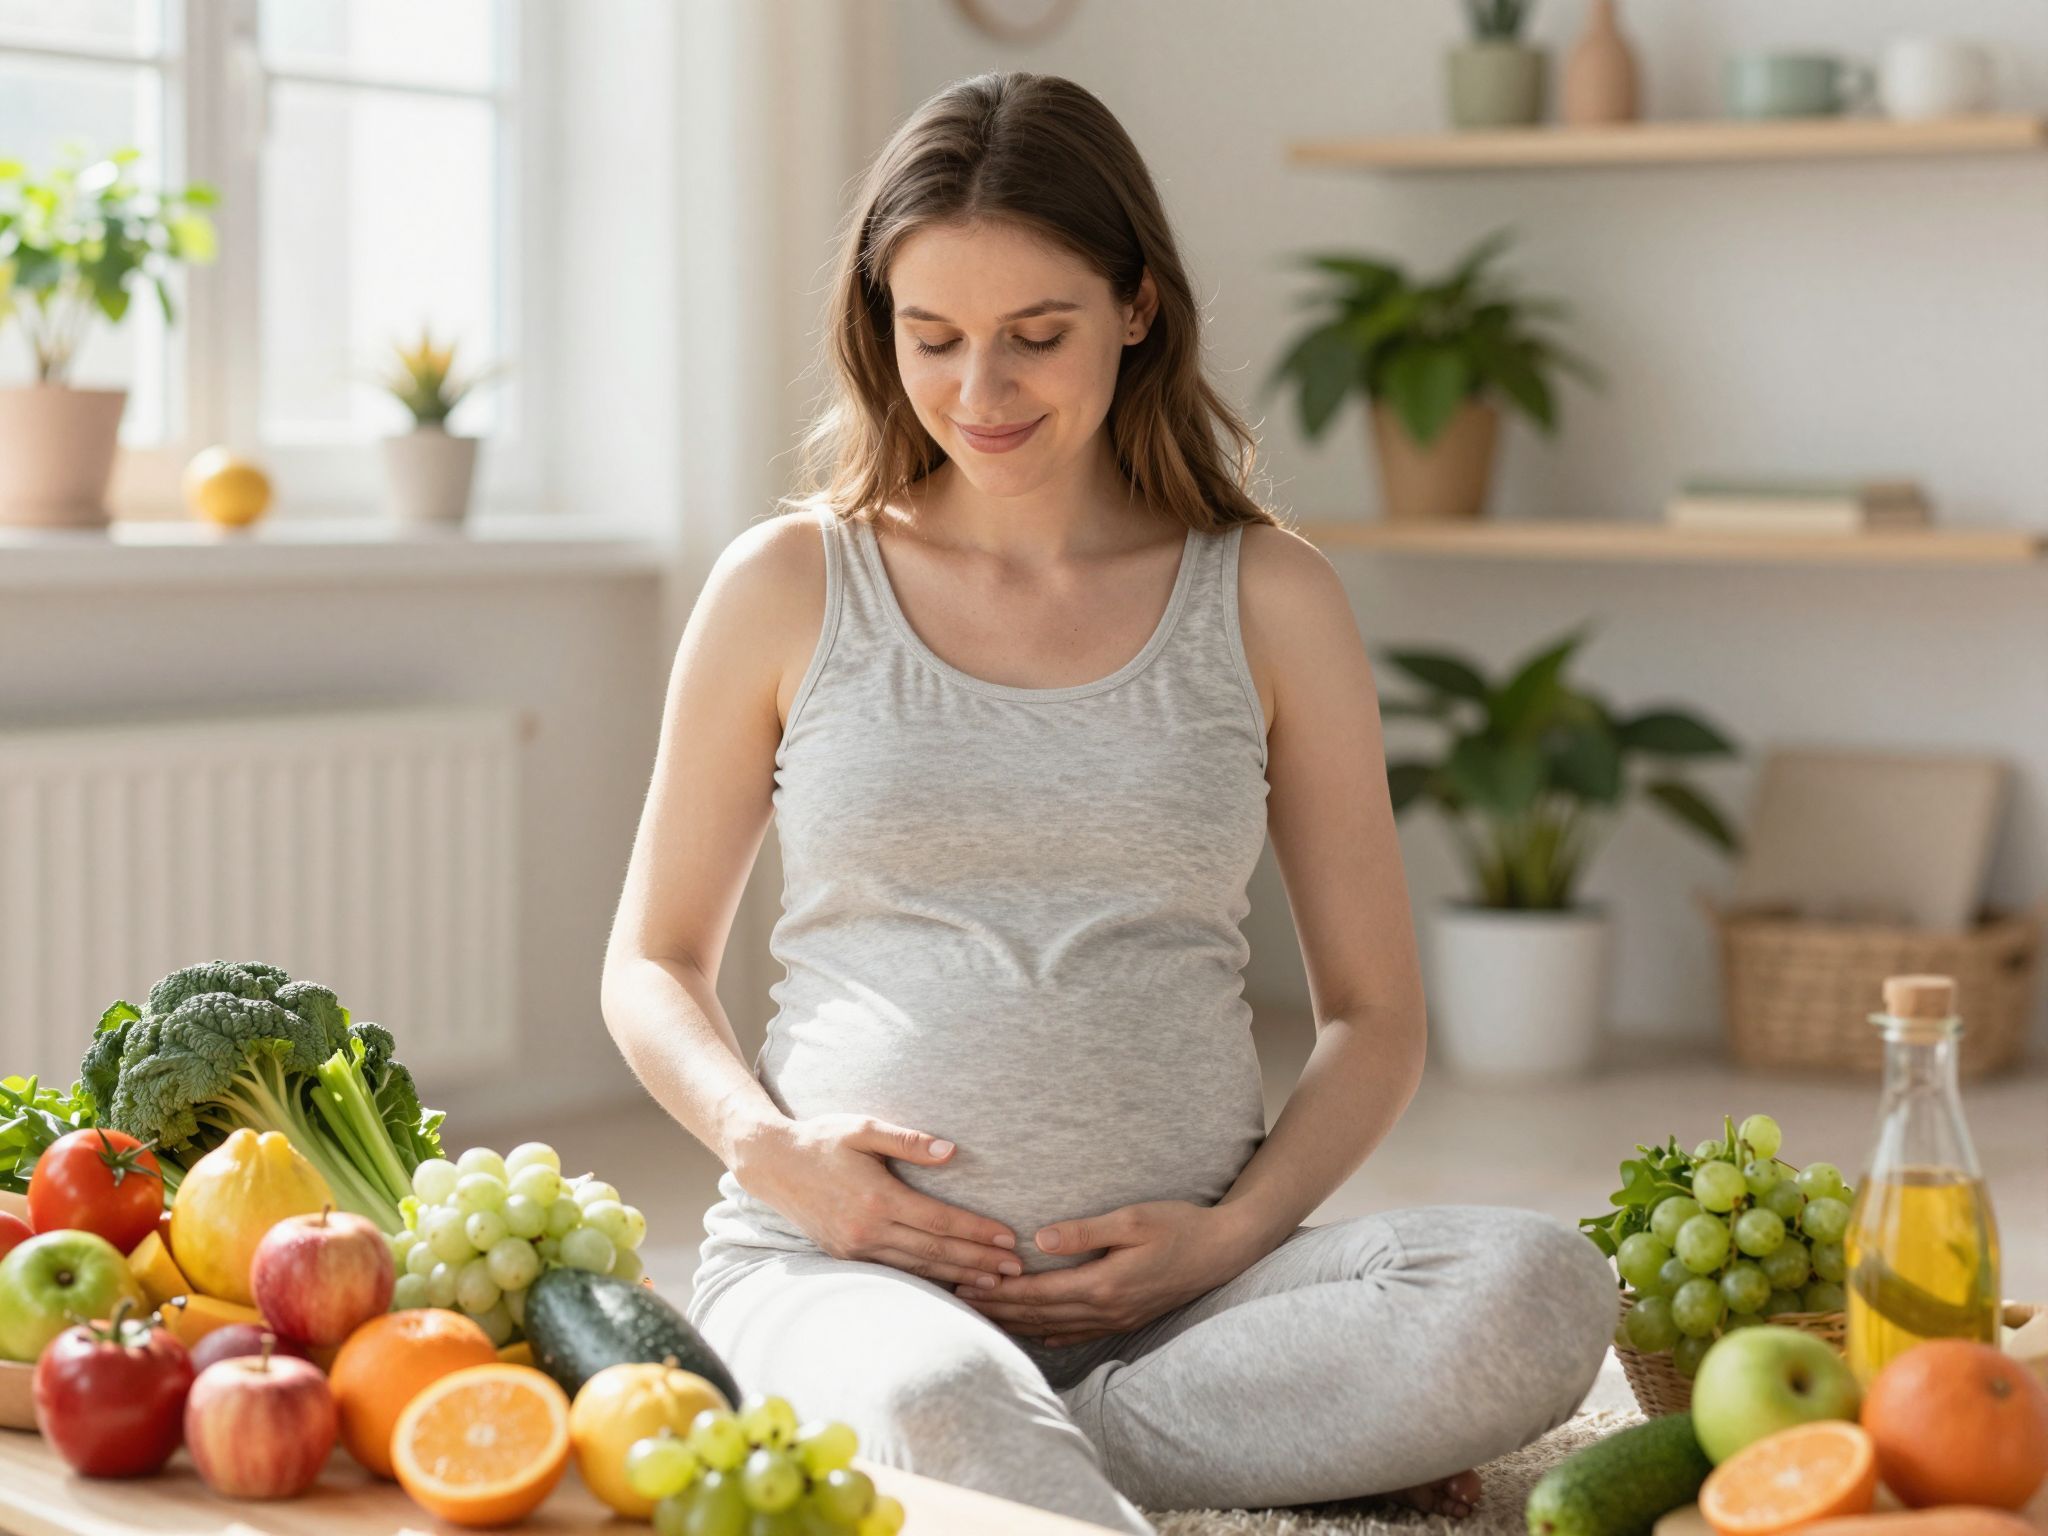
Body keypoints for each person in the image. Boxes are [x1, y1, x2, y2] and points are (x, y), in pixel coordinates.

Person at [601, 70, 1616, 1534]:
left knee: (1538, 1291)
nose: (979, 392)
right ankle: (1028, 1444)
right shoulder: (786, 584)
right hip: (848, 1275)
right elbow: (653, 964)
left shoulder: (1269, 594)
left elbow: (1376, 1016)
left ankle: (1033, 1459)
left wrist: (1231, 1240)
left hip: (1196, 1303)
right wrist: (778, 1162)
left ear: (1137, 307)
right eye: (932, 337)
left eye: (1036, 336)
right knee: (933, 1396)